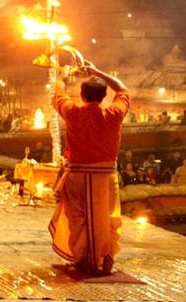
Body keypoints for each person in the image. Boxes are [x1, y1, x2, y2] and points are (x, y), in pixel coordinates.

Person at [48, 61, 129, 276]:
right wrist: (97, 71)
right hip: (105, 177)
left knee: (78, 219)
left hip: (77, 175)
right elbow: (122, 89)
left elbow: (58, 91)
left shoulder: (72, 111)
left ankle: (82, 259)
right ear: (104, 96)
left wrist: (64, 74)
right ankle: (104, 259)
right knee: (107, 218)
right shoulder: (115, 113)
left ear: (82, 95)